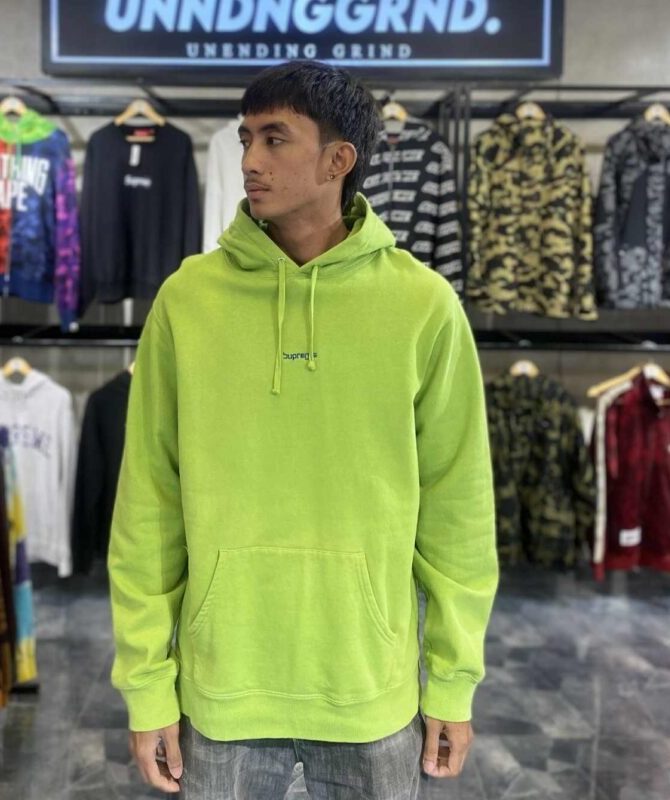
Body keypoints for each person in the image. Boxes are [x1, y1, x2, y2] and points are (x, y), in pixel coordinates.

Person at [108, 60, 499, 799]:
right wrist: (146, 683)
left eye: (275, 139)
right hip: (222, 687)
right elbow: (148, 505)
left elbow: (459, 510)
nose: (249, 161)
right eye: (245, 139)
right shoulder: (187, 300)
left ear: (338, 159)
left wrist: (452, 681)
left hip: (369, 689)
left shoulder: (423, 305)